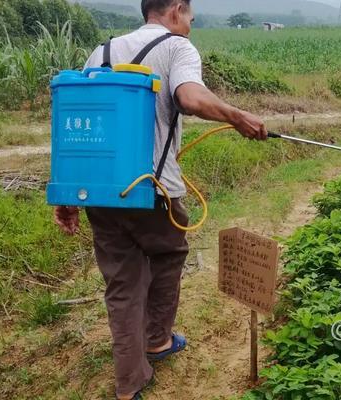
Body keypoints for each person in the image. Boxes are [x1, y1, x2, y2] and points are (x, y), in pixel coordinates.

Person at [54, 0, 267, 398]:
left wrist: (69, 196)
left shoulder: (100, 52)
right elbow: (189, 97)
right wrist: (238, 117)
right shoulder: (177, 47)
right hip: (154, 191)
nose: (190, 25)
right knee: (168, 255)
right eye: (189, 16)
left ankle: (128, 382)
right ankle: (157, 340)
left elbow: (81, 130)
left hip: (101, 194)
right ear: (176, 9)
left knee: (122, 283)